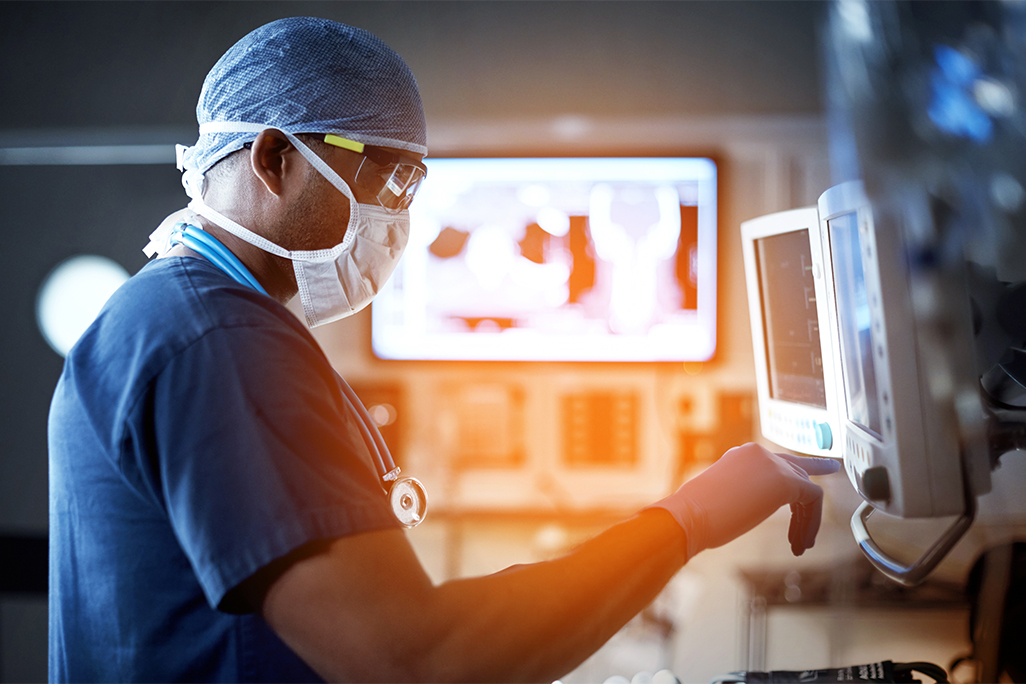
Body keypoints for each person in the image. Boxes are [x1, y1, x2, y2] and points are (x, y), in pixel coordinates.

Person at [47, 16, 840, 683]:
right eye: (386, 181)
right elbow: (416, 659)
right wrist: (692, 518)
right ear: (274, 157)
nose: (399, 220)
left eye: (415, 187)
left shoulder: (162, 318)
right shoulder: (219, 340)